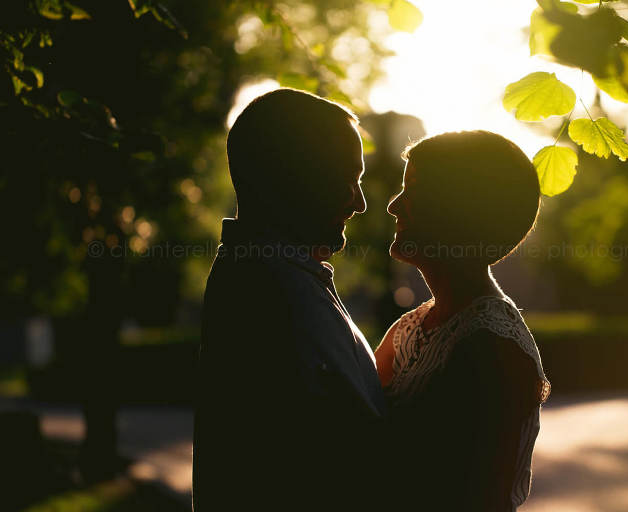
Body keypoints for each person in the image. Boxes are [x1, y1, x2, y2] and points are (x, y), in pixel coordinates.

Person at [193, 88, 386, 511]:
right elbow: (351, 461)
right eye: (348, 178)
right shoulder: (271, 295)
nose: (360, 202)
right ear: (294, 173)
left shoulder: (280, 276)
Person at [375, 130, 551, 512]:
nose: (394, 206)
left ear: (455, 205)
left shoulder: (492, 348)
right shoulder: (412, 328)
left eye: (413, 189)